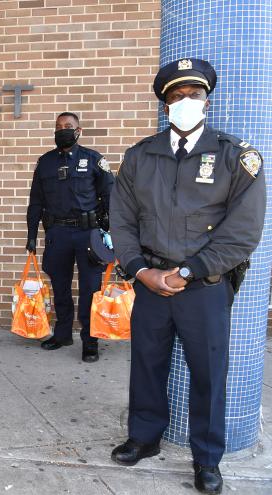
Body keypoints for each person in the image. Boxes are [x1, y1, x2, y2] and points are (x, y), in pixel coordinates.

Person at [109, 58, 265, 494]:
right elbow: (120, 222)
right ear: (165, 106)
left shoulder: (237, 157)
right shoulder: (141, 156)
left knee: (209, 373)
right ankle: (144, 437)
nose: (186, 103)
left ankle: (207, 458)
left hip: (204, 288)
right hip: (150, 283)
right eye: (176, 97)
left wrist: (187, 271)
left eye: (193, 95)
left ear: (207, 101)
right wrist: (141, 271)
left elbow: (243, 232)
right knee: (146, 365)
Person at [25, 112, 114, 362]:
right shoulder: (45, 163)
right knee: (60, 287)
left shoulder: (94, 160)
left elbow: (110, 198)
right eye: (59, 126)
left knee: (89, 289)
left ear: (78, 131)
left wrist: (108, 232)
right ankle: (62, 333)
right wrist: (32, 235)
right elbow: (35, 202)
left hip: (88, 235)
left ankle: (90, 341)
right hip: (57, 233)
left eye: (68, 126)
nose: (63, 130)